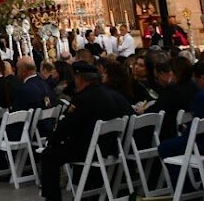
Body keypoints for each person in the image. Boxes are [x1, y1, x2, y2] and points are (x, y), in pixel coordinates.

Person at [36, 62, 133, 201]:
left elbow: (66, 125)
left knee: (49, 155)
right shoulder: (109, 94)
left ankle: (52, 198)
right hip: (110, 147)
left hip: (90, 149)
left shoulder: (82, 98)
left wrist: (52, 140)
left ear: (79, 78)